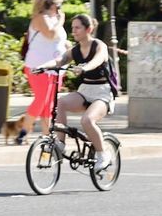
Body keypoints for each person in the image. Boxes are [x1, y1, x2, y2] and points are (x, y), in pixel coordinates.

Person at [40, 13, 116, 173]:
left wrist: (85, 67)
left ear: (88, 29)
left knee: (87, 120)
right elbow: (60, 61)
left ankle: (103, 155)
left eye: (77, 28)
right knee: (60, 103)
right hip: (85, 90)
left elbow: (98, 59)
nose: (73, 31)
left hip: (103, 92)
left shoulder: (99, 46)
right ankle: (60, 144)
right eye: (72, 28)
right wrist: (42, 67)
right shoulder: (75, 50)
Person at [17, 0, 68, 145]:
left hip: (56, 68)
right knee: (41, 99)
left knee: (49, 103)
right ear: (53, 5)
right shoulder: (40, 18)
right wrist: (61, 21)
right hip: (38, 66)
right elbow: (51, 35)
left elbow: (58, 40)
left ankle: (47, 135)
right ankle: (23, 132)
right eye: (59, 5)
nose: (60, 9)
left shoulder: (53, 19)